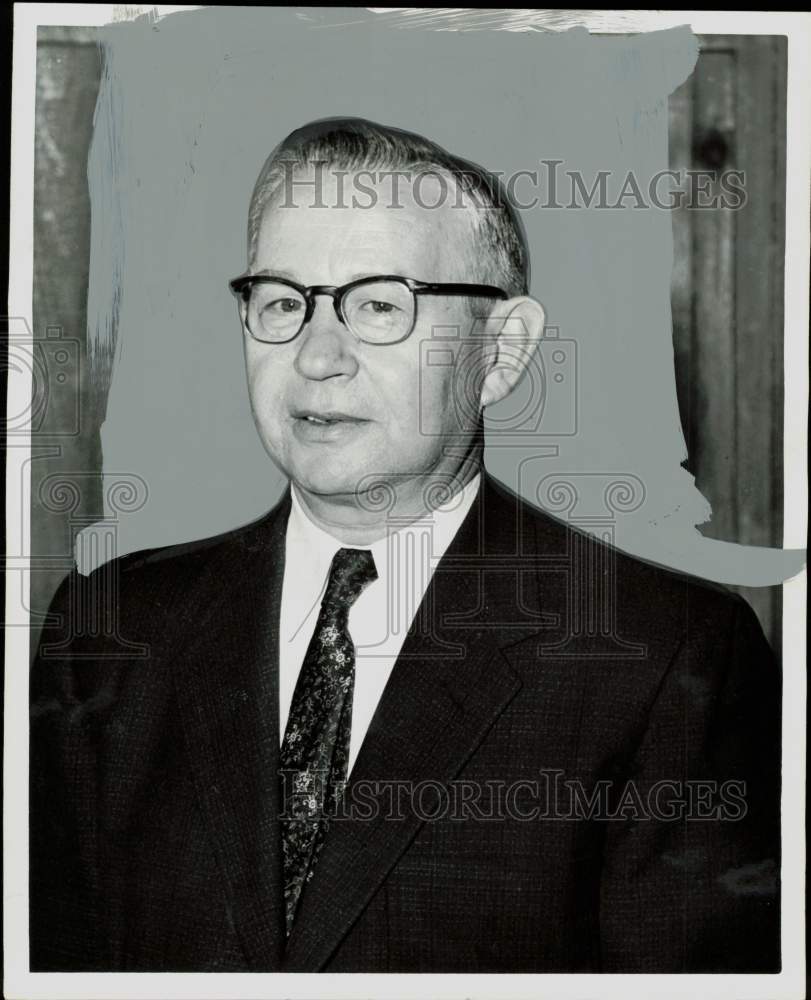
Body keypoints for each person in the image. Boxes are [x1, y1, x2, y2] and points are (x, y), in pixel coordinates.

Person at [29, 117, 781, 973]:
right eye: (282, 302)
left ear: (501, 352)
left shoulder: (668, 659)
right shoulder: (108, 632)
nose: (316, 357)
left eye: (379, 305)